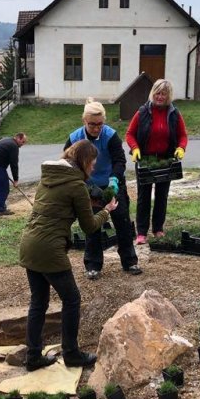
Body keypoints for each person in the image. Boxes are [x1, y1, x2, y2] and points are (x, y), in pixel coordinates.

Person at [19, 140, 118, 371]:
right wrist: (106, 211)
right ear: (84, 162)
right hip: (49, 249)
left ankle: (32, 357)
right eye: (92, 164)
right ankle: (72, 353)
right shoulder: (76, 186)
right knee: (72, 299)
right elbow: (90, 227)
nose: (93, 169)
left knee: (38, 302)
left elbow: (58, 206)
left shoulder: (48, 178)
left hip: (29, 244)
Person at [64, 99, 141, 279]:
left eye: (100, 124)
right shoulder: (75, 138)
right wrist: (82, 183)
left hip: (112, 184)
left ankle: (129, 261)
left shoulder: (110, 136)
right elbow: (68, 163)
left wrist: (115, 178)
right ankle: (93, 264)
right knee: (92, 225)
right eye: (92, 124)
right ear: (84, 121)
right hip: (88, 186)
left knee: (122, 222)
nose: (96, 128)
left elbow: (119, 160)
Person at [125, 79, 188, 245]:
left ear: (168, 96)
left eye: (163, 94)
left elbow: (183, 135)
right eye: (158, 93)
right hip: (145, 159)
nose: (160, 97)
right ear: (153, 93)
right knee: (143, 196)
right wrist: (135, 148)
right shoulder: (143, 111)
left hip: (166, 159)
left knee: (162, 195)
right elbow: (130, 134)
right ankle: (142, 233)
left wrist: (181, 148)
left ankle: (158, 228)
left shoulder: (174, 113)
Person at [0, 132, 27, 215]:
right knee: (3, 188)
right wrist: (16, 180)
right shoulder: (14, 146)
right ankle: (1, 209)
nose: (23, 144)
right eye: (23, 142)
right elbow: (14, 164)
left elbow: (0, 139)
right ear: (18, 138)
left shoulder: (7, 139)